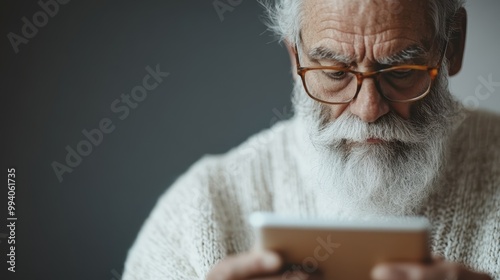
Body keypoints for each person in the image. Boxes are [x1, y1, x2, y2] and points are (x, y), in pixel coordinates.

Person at [123, 0, 500, 279]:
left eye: (400, 69)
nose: (368, 109)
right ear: (294, 56)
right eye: (335, 72)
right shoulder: (197, 213)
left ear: (452, 44)